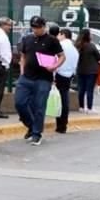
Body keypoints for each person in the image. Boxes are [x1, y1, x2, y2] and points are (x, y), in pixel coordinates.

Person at [15, 15, 65, 146]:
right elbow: (23, 56)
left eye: (38, 27)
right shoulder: (27, 39)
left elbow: (61, 56)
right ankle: (31, 126)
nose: (35, 30)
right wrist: (22, 72)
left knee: (39, 106)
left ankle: (37, 133)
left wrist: (54, 66)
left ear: (44, 27)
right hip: (26, 77)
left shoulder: (52, 40)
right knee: (20, 103)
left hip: (43, 78)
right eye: (33, 27)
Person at [54, 27, 78, 133]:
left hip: (59, 74)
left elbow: (55, 60)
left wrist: (53, 76)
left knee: (59, 101)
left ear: (63, 34)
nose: (57, 37)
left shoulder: (61, 46)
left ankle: (60, 124)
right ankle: (63, 125)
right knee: (65, 100)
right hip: (68, 76)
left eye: (58, 35)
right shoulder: (74, 48)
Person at [75, 28, 100, 114]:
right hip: (91, 71)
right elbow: (99, 58)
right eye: (90, 34)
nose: (92, 35)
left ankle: (81, 107)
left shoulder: (77, 46)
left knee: (81, 90)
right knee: (89, 90)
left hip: (80, 70)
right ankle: (89, 108)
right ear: (87, 36)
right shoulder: (91, 46)